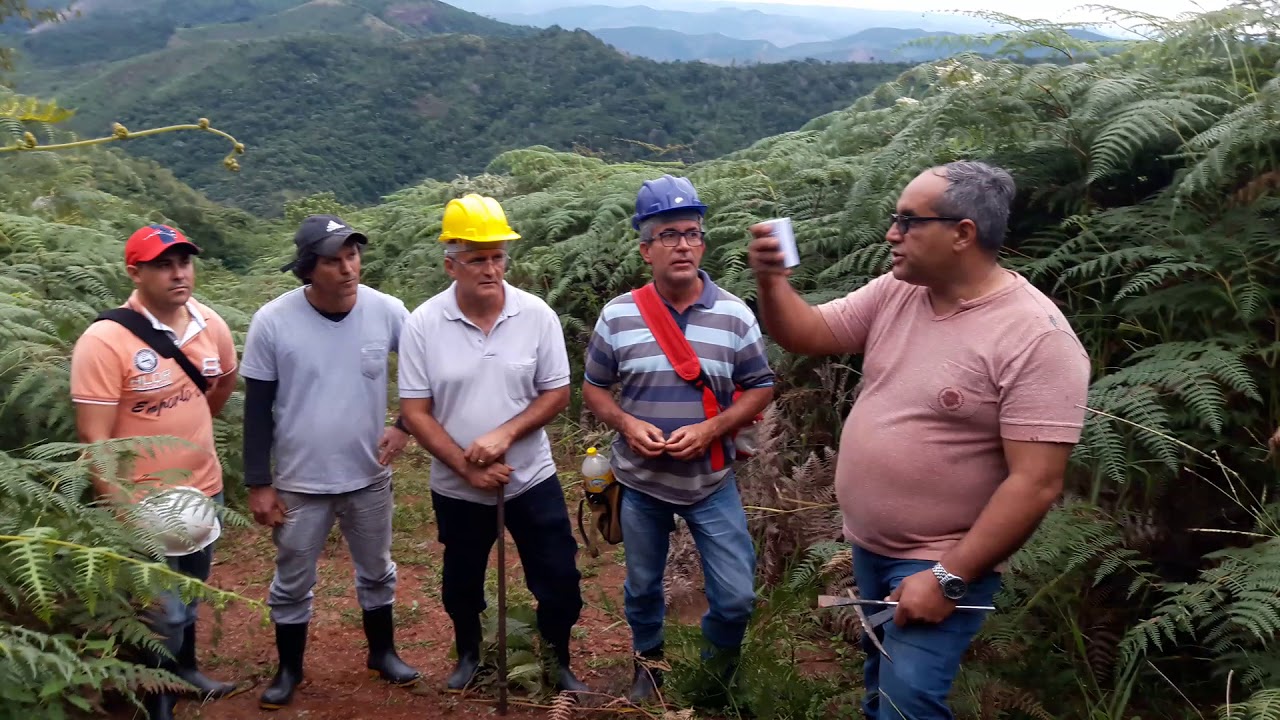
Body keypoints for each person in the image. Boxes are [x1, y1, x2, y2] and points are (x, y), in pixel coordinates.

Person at [746, 161, 1093, 719]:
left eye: (909, 222)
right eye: (894, 219)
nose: (891, 234)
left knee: (909, 703)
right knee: (882, 684)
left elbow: (1036, 483)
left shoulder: (1037, 339)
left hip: (943, 557)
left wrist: (947, 577)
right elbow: (807, 333)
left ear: (962, 234)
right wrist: (772, 280)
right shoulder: (899, 292)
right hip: (870, 545)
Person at [581, 174, 776, 702]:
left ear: (704, 243)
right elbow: (595, 387)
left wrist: (713, 428)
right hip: (640, 481)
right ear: (646, 249)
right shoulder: (618, 315)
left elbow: (761, 386)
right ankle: (648, 665)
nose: (683, 244)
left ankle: (714, 681)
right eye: (668, 234)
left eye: (691, 232)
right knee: (643, 587)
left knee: (735, 597)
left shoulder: (735, 315)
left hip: (710, 480)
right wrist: (626, 424)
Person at [397, 194, 589, 694]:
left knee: (559, 579)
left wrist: (506, 432)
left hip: (531, 477)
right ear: (450, 264)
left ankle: (556, 659)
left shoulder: (536, 315)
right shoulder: (423, 324)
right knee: (462, 583)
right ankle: (468, 654)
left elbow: (557, 393)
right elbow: (416, 412)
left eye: (497, 256)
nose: (490, 268)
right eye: (477, 258)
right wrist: (467, 468)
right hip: (457, 487)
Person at [239, 214, 420, 710]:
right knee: (293, 574)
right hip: (299, 479)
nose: (347, 269)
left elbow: (426, 369)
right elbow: (257, 408)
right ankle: (289, 668)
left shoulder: (387, 311)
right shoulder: (273, 322)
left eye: (353, 256)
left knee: (377, 569)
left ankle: (382, 653)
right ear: (307, 269)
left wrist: (405, 426)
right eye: (333, 261)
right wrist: (258, 482)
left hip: (368, 474)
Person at [69, 224, 242, 720]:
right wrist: (120, 509)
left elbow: (222, 383)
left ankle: (186, 671)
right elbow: (93, 438)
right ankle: (155, 694)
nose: (178, 273)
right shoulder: (106, 341)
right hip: (142, 504)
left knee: (191, 594)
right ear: (135, 271)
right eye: (163, 265)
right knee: (160, 612)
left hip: (204, 491)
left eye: (184, 262)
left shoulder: (209, 324)